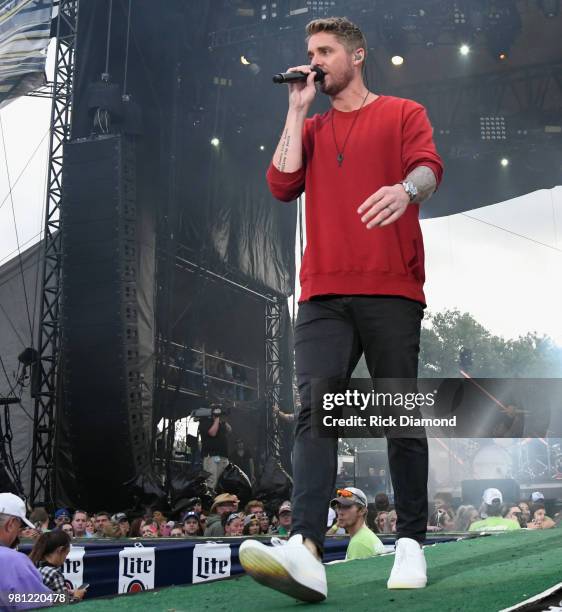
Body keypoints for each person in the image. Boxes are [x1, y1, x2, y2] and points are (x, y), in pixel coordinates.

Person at [240, 15, 443, 602]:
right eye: (310, 51)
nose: (314, 59)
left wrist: (405, 190)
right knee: (313, 410)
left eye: (325, 50)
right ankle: (306, 550)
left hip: (391, 286)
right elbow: (281, 185)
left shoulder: (403, 111)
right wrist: (297, 109)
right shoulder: (311, 124)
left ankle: (409, 541)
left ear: (356, 56)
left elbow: (430, 168)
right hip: (324, 292)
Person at [0, 492, 54, 609]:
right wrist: (69, 597)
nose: (19, 532)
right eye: (19, 526)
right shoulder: (13, 561)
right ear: (10, 524)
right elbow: (39, 602)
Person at [29, 530, 86, 603]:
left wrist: (66, 592)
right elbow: (64, 607)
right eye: (66, 553)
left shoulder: (34, 566)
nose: (65, 558)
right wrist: (77, 596)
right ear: (60, 550)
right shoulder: (54, 574)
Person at [332, 487, 384, 560]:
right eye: (338, 507)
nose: (340, 512)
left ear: (362, 510)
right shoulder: (364, 537)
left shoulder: (358, 543)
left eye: (346, 506)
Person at [199, 408, 232, 490]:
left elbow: (229, 430)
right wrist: (216, 419)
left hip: (222, 456)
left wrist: (223, 421)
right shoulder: (205, 422)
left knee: (222, 481)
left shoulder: (221, 423)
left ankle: (219, 501)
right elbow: (212, 433)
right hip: (212, 456)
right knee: (212, 481)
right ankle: (209, 501)